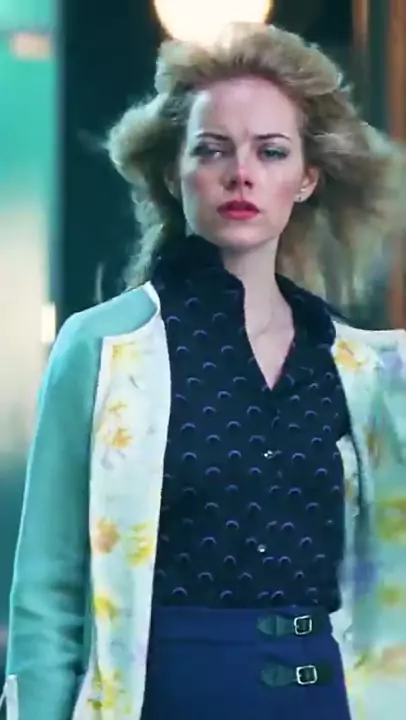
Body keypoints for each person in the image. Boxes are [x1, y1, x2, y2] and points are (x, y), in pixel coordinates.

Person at [2, 22, 406, 720]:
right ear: (172, 172)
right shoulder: (103, 347)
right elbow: (47, 594)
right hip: (163, 699)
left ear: (307, 177)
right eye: (212, 149)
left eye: (271, 151)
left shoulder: (364, 368)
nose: (240, 173)